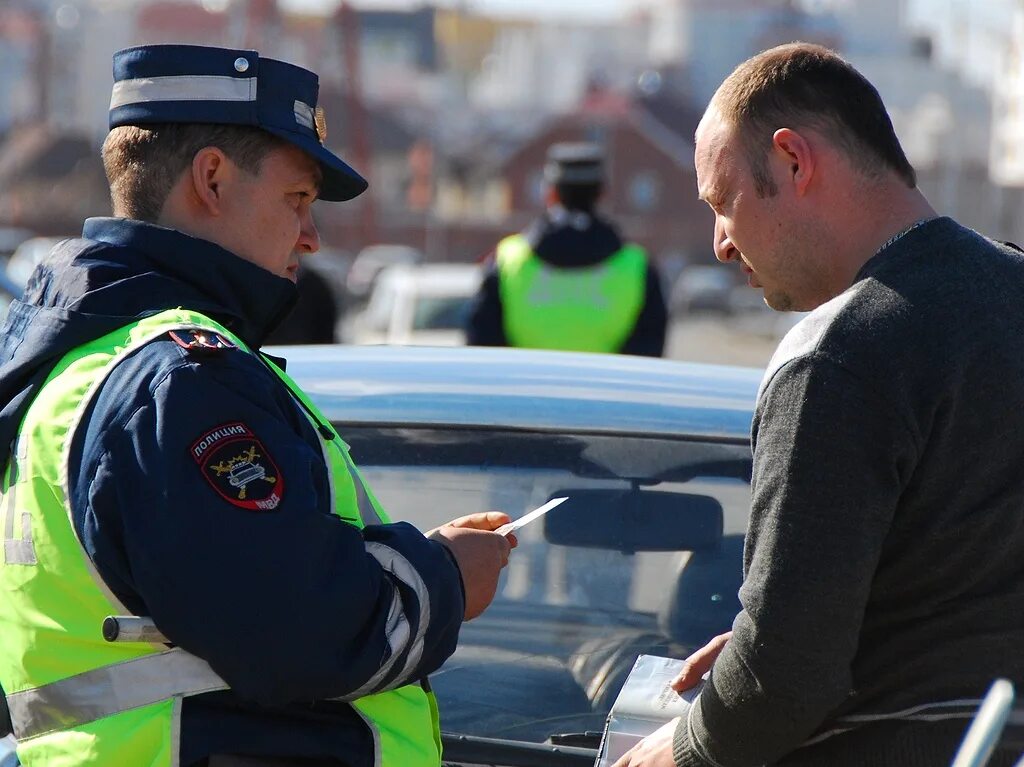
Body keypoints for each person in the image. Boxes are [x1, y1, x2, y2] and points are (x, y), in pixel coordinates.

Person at [0, 44, 514, 767]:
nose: (310, 234)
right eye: (296, 199)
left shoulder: (86, 359)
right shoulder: (182, 380)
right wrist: (447, 578)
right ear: (211, 177)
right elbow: (299, 630)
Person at [615, 42, 1024, 767]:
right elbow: (951, 591)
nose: (719, 242)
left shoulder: (841, 354)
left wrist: (679, 750)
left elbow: (786, 671)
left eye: (723, 200)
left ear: (794, 161)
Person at [466, 142, 668, 356]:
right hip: (605, 389)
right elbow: (648, 354)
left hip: (526, 388)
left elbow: (482, 349)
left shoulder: (508, 260)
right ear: (602, 193)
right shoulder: (636, 267)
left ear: (551, 193)